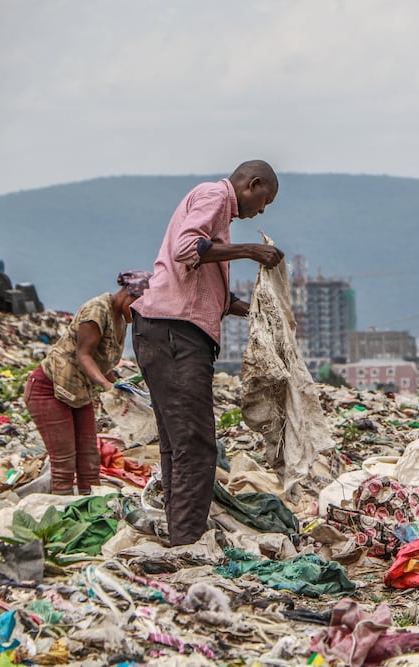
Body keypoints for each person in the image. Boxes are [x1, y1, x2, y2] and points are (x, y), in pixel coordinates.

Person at [130, 159, 284, 546]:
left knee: (178, 442)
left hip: (163, 331)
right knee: (198, 444)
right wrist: (249, 251)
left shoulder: (216, 211)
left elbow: (197, 274)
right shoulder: (216, 195)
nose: (261, 210)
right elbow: (186, 248)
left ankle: (179, 535)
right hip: (175, 335)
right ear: (252, 184)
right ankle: (188, 542)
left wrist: (242, 307)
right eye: (265, 200)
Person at [24, 270, 152, 495]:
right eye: (139, 304)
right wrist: (107, 386)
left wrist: (124, 388)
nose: (141, 311)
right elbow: (84, 356)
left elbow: (104, 363)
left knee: (89, 461)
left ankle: (89, 508)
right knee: (64, 463)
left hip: (78, 393)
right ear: (127, 293)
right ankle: (61, 515)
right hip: (50, 389)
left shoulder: (120, 319)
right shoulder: (96, 311)